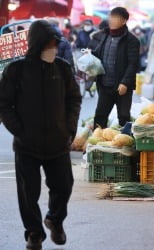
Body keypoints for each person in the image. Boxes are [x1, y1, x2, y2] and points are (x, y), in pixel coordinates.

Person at [0, 20, 81, 250]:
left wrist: (69, 128)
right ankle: (34, 233)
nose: (53, 48)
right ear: (36, 44)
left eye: (55, 44)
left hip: (58, 142)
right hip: (27, 145)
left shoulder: (63, 68)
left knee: (64, 186)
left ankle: (55, 220)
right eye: (49, 44)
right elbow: (4, 103)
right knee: (28, 194)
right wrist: (18, 130)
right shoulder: (16, 70)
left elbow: (74, 99)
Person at [93, 7, 140, 128]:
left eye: (115, 18)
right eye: (111, 17)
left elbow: (133, 64)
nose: (112, 20)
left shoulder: (132, 40)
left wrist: (125, 82)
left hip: (122, 87)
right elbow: (95, 53)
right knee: (100, 116)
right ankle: (96, 144)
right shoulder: (102, 36)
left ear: (124, 21)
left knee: (124, 117)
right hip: (104, 84)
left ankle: (123, 143)